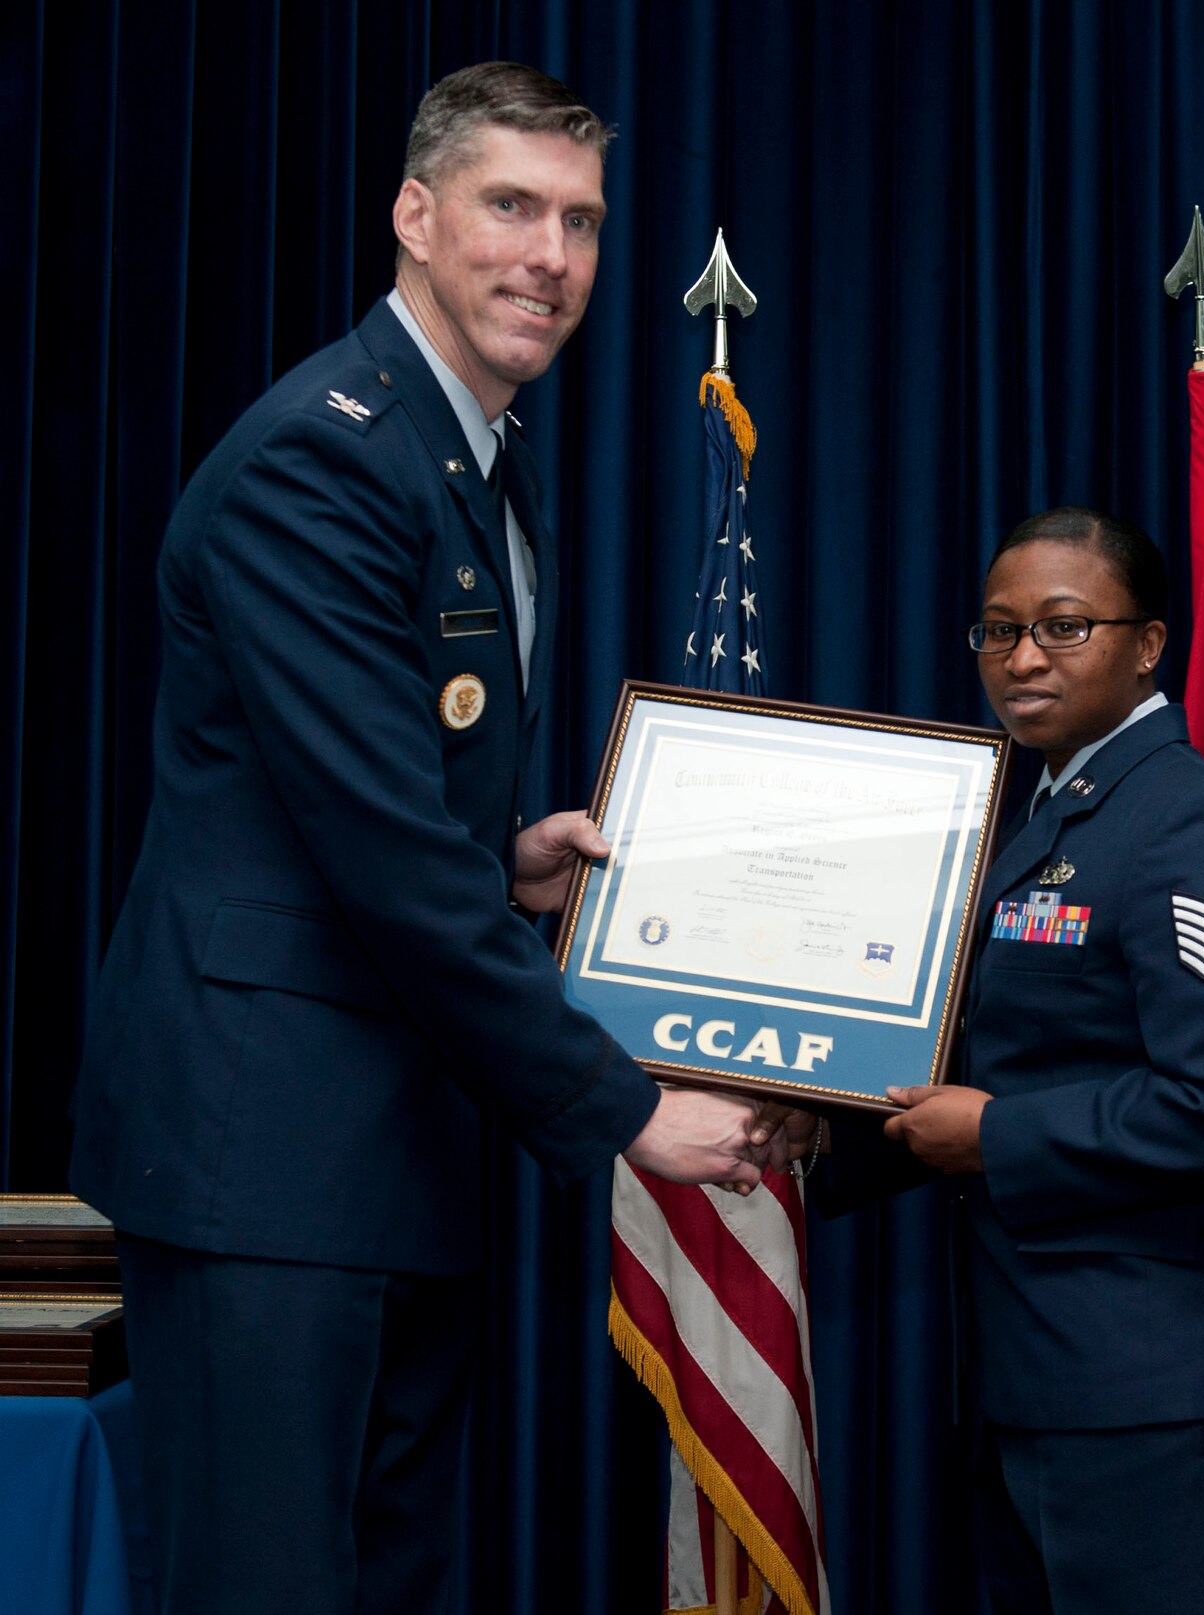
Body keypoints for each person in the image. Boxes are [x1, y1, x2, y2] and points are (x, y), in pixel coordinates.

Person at [68, 62, 778, 1615]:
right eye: (510, 207)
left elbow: (376, 809)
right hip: (268, 1160)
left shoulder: (469, 452)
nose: (550, 256)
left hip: (384, 1151)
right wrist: (620, 1104)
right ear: (414, 214)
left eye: (580, 221)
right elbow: (380, 847)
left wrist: (508, 861)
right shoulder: (324, 460)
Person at [818, 506, 1204, 1614]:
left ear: (1147, 645)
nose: (1023, 656)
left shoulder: (1191, 822)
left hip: (1150, 1388)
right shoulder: (1029, 819)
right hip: (1036, 1377)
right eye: (996, 631)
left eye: (1063, 625)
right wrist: (813, 1126)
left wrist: (990, 1135)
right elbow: (994, 1054)